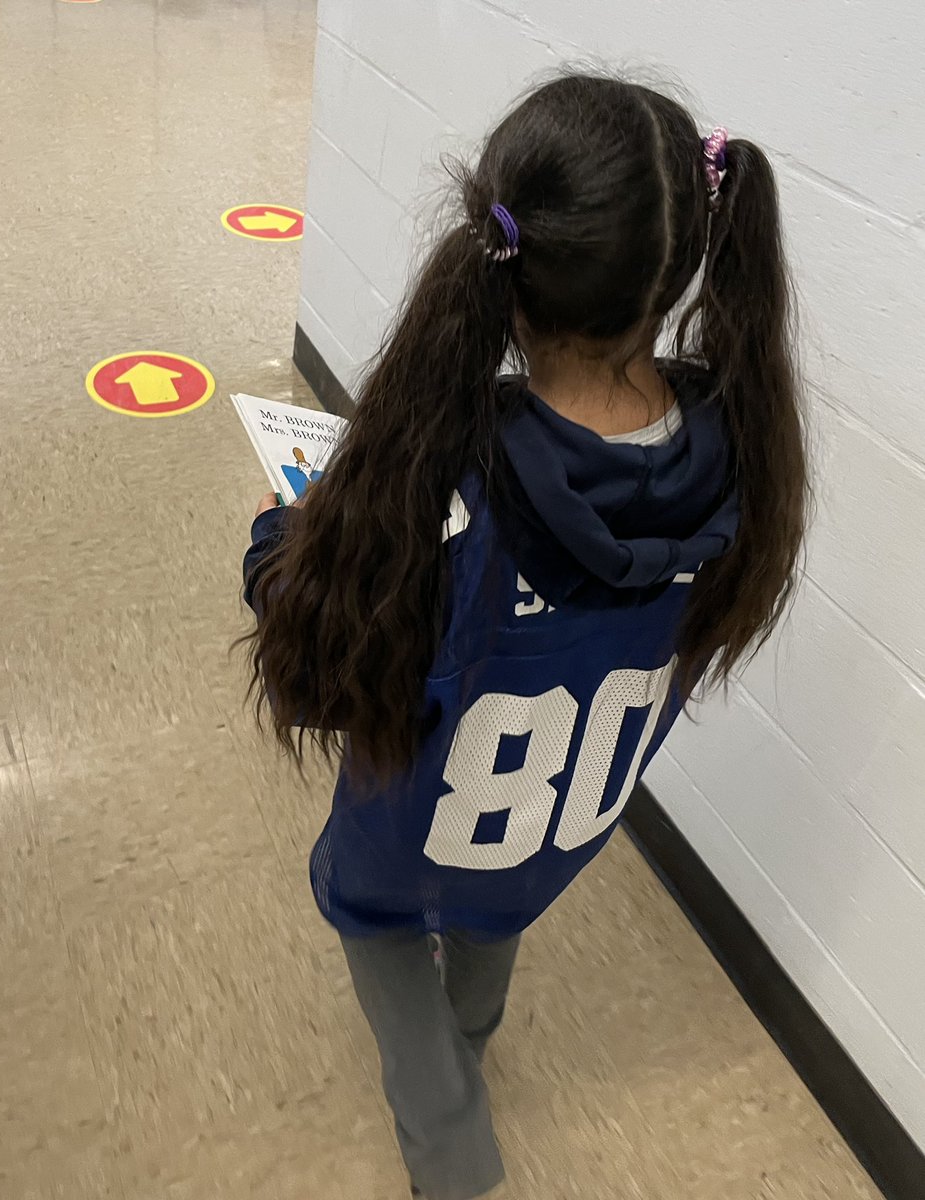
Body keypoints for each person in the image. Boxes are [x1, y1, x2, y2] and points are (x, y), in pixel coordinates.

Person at [242, 72, 807, 1200]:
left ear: (501, 274)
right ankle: (476, 1034)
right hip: (555, 832)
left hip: (409, 837)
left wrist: (278, 537)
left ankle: (455, 1165)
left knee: (382, 933)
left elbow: (315, 651)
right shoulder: (745, 455)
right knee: (490, 925)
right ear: (682, 267)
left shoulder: (447, 482)